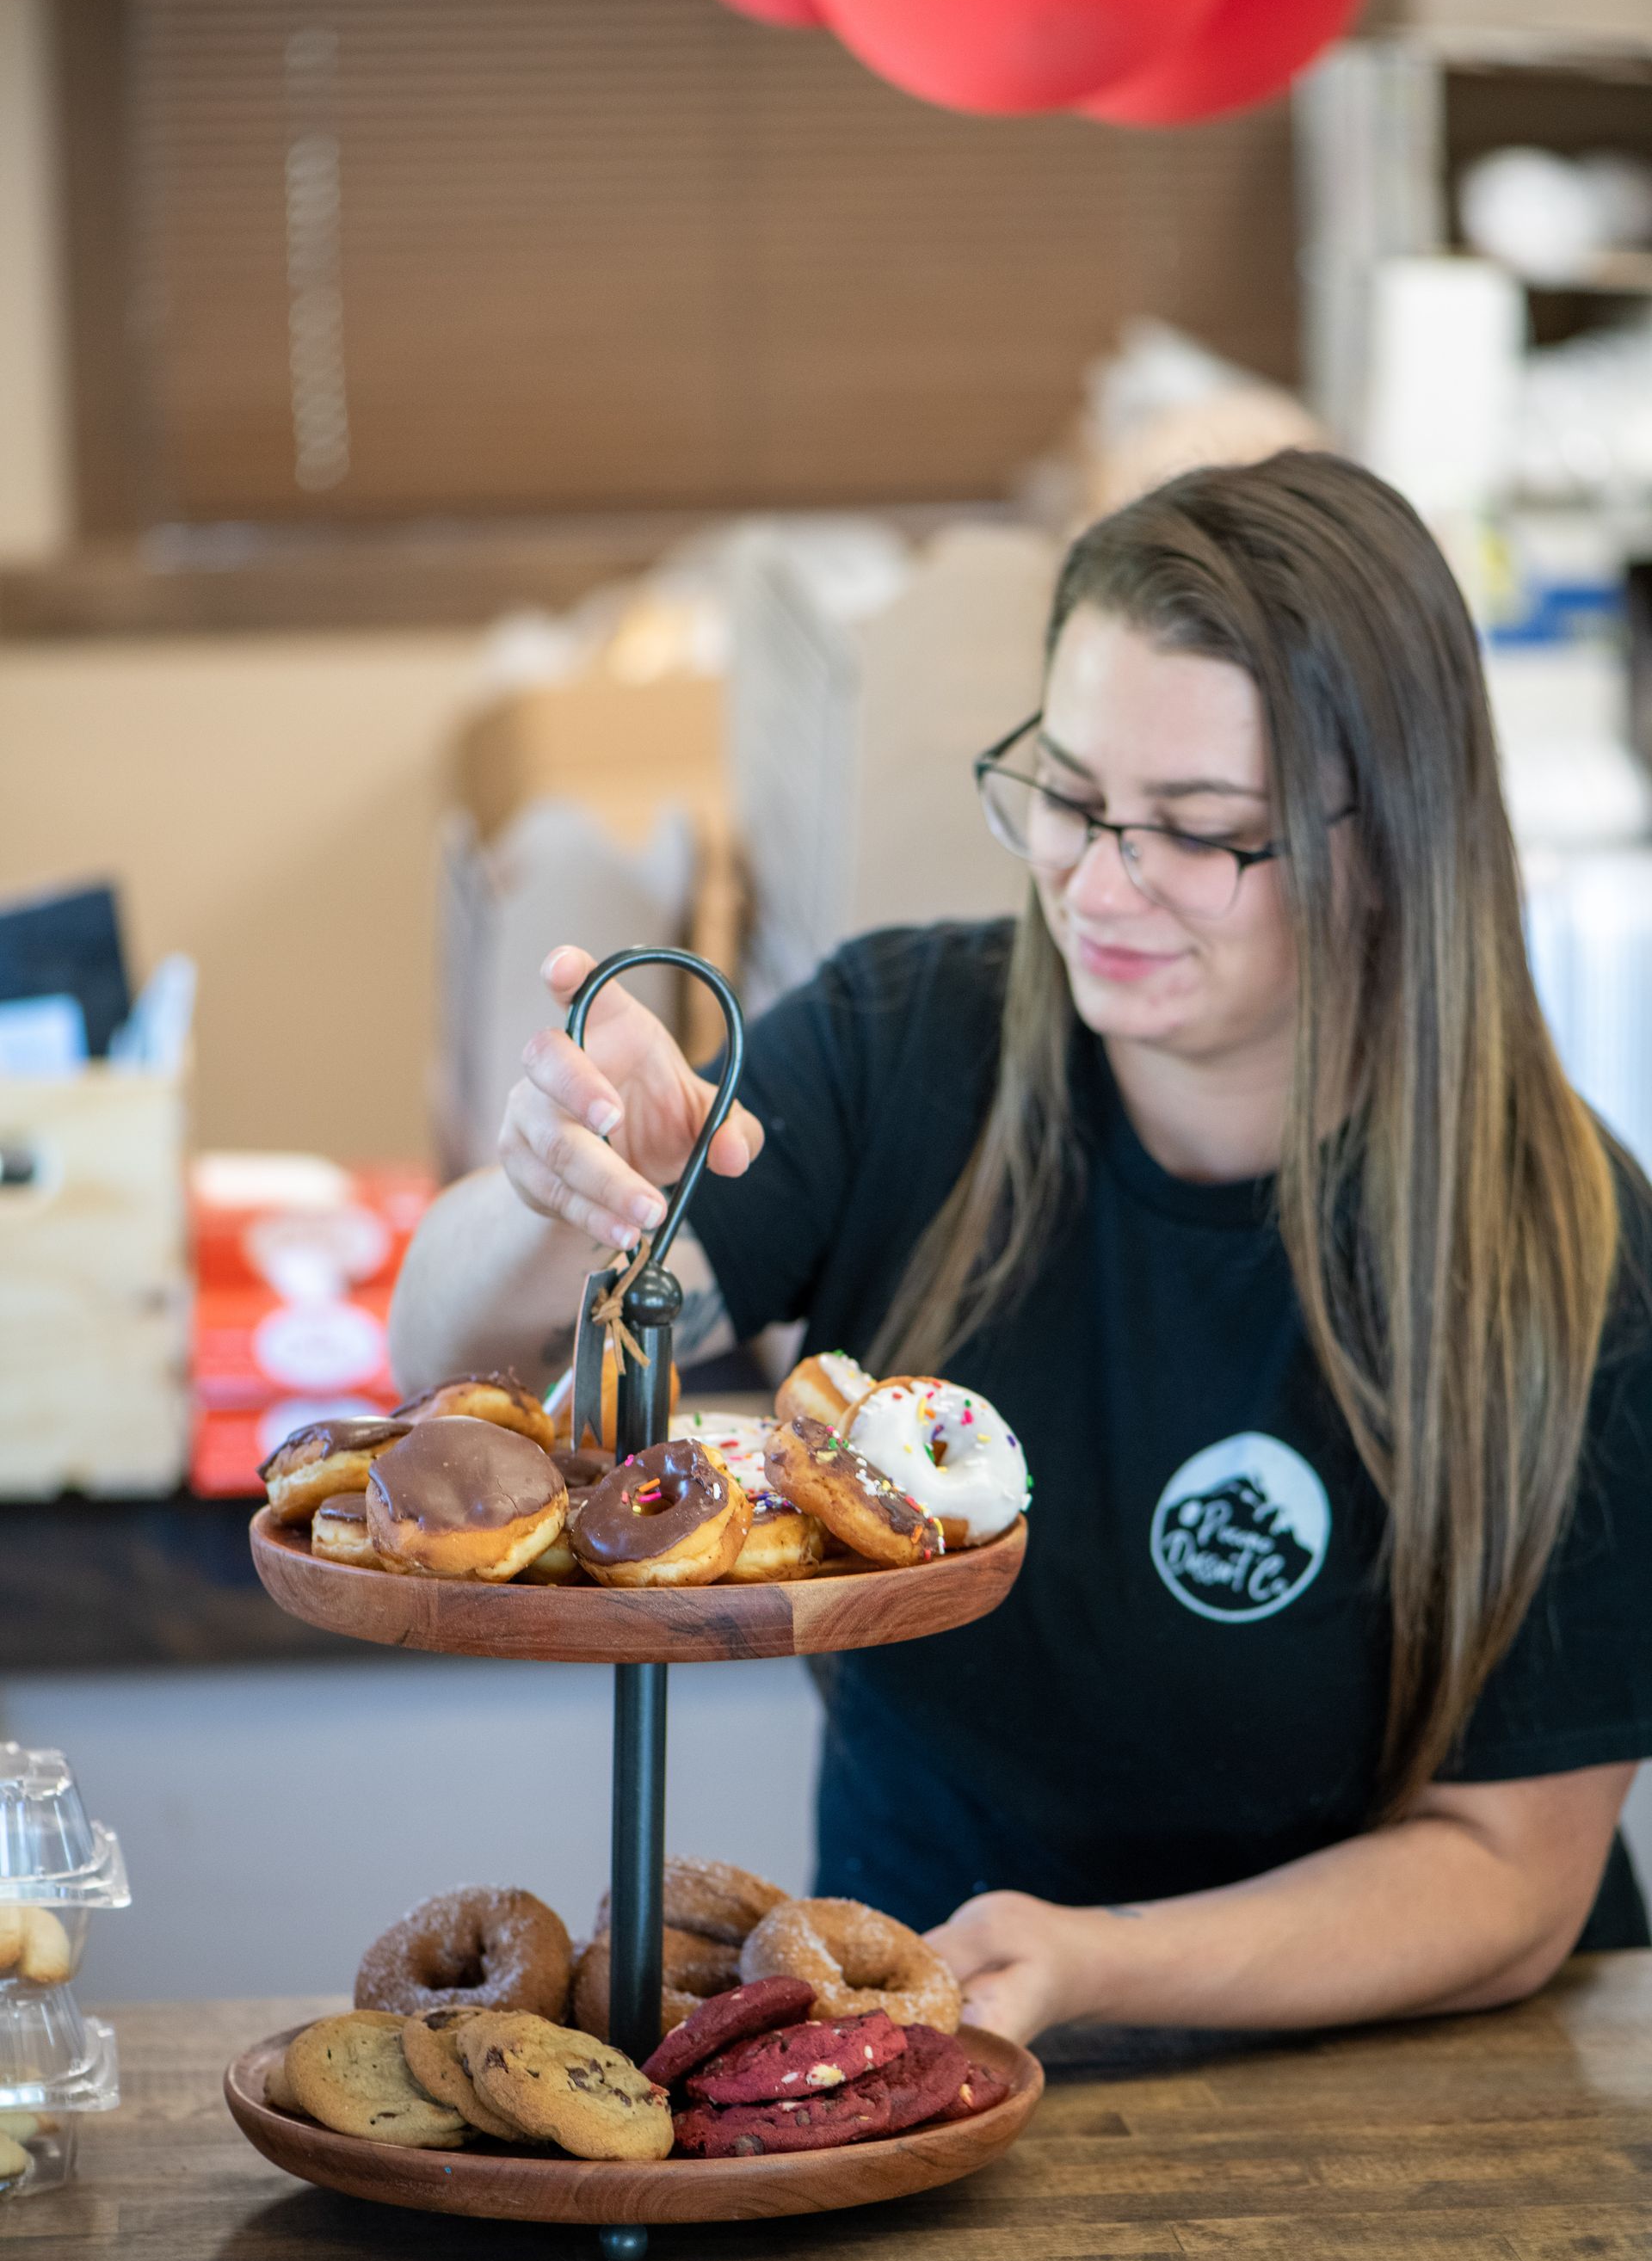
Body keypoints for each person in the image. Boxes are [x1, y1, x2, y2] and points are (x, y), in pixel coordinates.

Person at [390, 452, 1652, 2046]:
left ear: (1390, 844)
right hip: (919, 2055)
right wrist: (547, 1189)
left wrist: (1102, 1964)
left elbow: (1511, 1880)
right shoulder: (899, 1048)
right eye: (1066, 793)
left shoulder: (1571, 1254)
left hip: (1415, 2102)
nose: (1095, 882)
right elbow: (449, 1375)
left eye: (1199, 832)